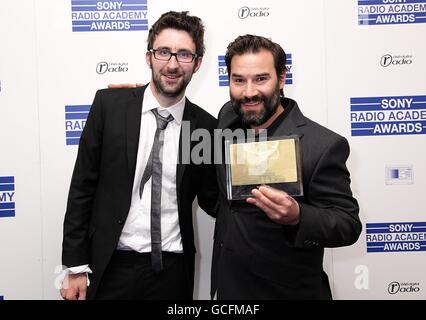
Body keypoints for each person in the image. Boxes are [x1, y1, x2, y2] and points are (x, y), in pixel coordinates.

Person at [60, 11, 218, 300]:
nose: (172, 64)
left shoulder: (205, 127)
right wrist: (74, 266)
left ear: (197, 64)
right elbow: (82, 188)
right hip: (111, 267)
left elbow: (213, 199)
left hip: (173, 270)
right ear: (149, 57)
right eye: (163, 52)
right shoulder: (110, 108)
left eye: (184, 54)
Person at [211, 34, 362, 299]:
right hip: (229, 290)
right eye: (238, 80)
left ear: (281, 79)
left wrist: (298, 216)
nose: (249, 92)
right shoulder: (227, 118)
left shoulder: (323, 144)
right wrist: (140, 100)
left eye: (261, 78)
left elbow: (347, 224)